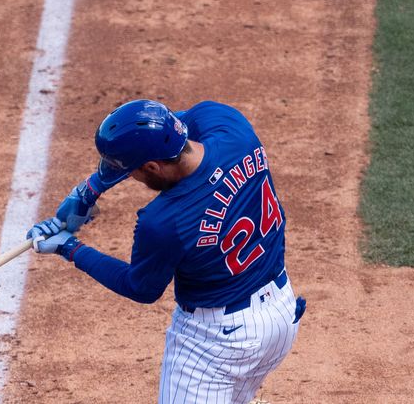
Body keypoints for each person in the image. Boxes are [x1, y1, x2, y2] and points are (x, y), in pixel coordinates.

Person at [27, 99, 305, 403]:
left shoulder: (164, 222)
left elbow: (141, 288)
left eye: (133, 171)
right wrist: (90, 189)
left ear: (151, 167)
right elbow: (163, 136)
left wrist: (70, 247)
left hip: (219, 345)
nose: (132, 176)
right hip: (280, 316)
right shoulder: (228, 124)